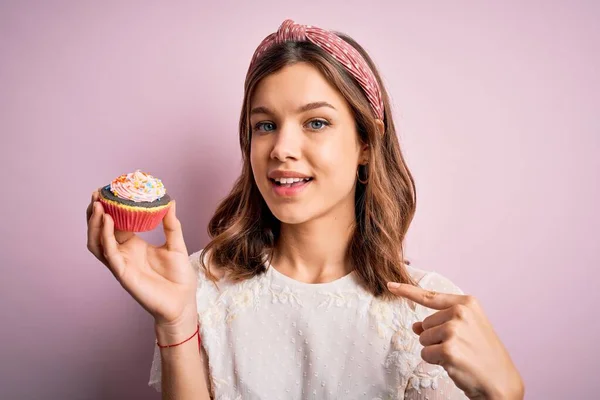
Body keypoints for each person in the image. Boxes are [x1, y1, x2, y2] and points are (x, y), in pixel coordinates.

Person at [86, 19, 524, 400]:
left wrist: (504, 395)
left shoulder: (427, 316)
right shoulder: (198, 284)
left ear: (366, 144)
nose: (281, 148)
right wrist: (175, 322)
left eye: (316, 122)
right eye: (265, 125)